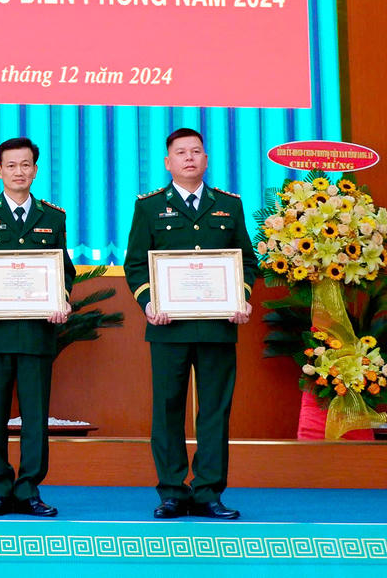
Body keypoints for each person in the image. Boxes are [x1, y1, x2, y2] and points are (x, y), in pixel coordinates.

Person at [124, 127, 255, 520]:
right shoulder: (149, 207)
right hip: (168, 327)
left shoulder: (229, 205)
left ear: (206, 159)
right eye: (181, 153)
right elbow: (136, 263)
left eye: (196, 151)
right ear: (168, 162)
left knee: (215, 410)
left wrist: (240, 296)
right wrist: (149, 302)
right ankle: (171, 492)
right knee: (168, 409)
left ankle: (209, 492)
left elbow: (246, 261)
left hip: (217, 326)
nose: (189, 158)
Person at [0, 137, 74, 518]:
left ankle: (28, 490)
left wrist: (61, 299)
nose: (18, 171)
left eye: (25, 165)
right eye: (11, 165)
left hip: (37, 331)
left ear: (35, 170)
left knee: (35, 417)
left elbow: (64, 270)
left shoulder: (53, 217)